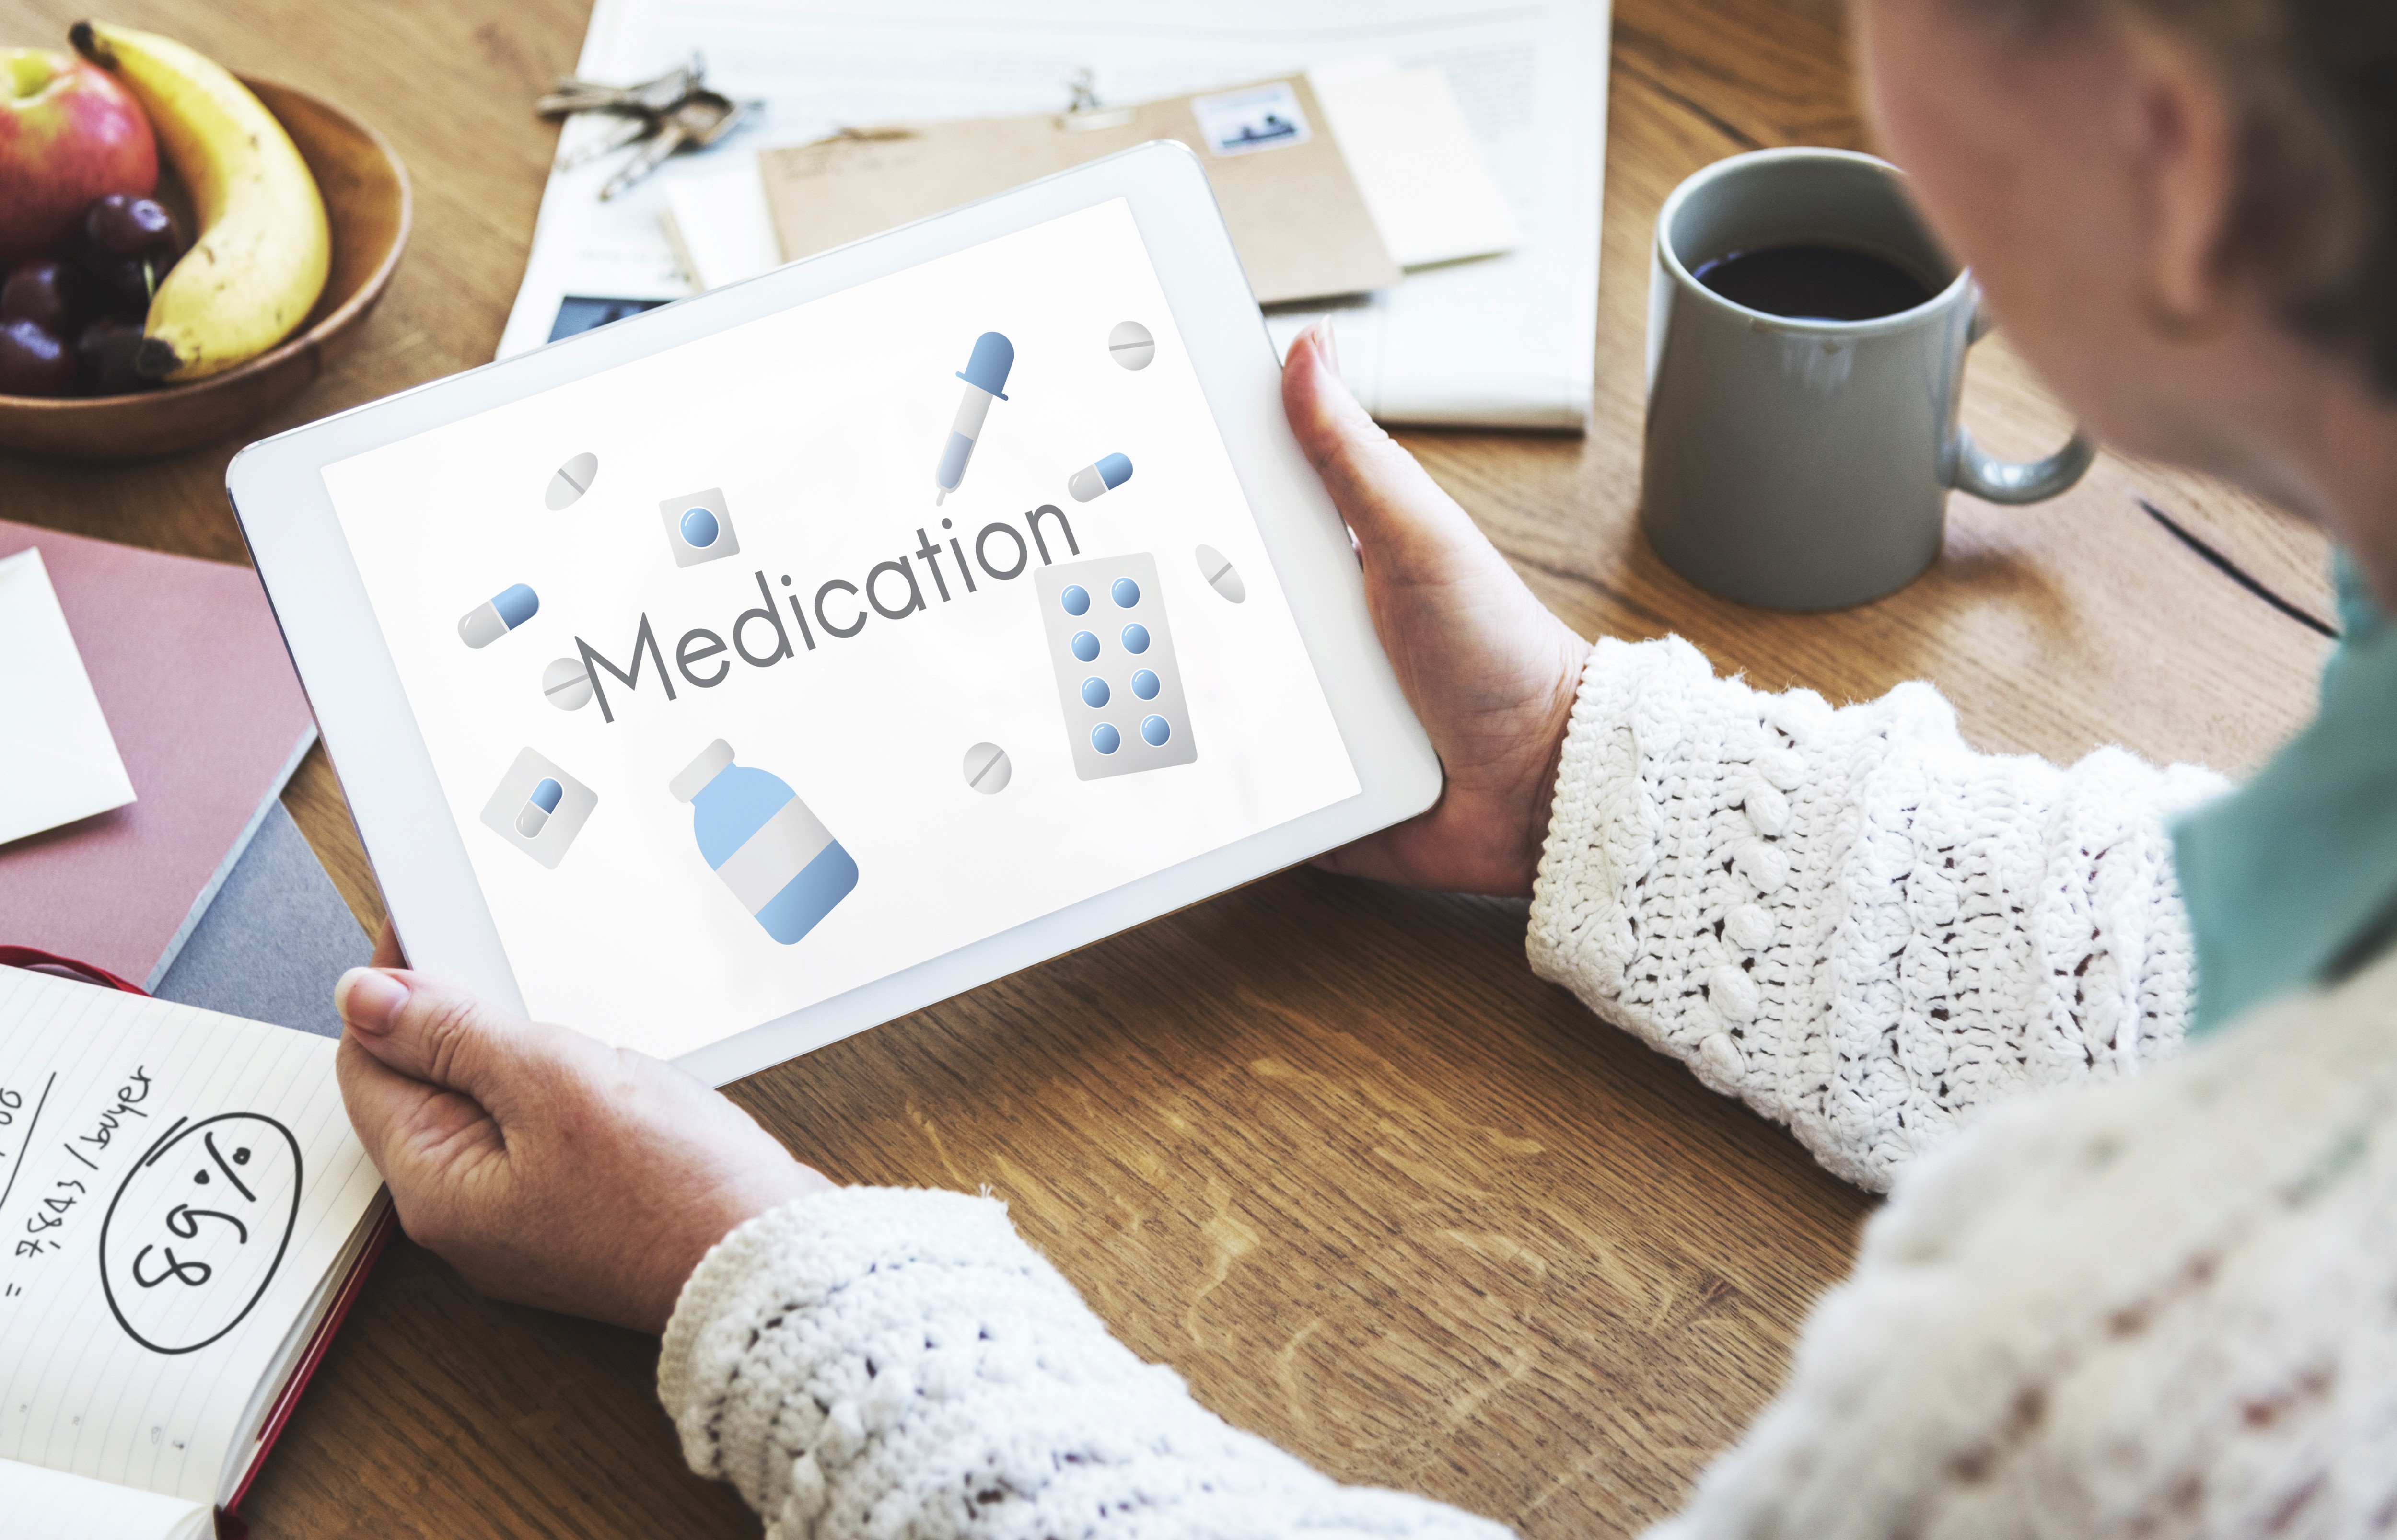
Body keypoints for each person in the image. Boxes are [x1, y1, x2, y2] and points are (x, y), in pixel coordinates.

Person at [333, 0, 2397, 1529]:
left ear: (2176, 160)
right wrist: (1578, 772)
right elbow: (2263, 970)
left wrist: (749, 1282)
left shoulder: (2161, 1377)